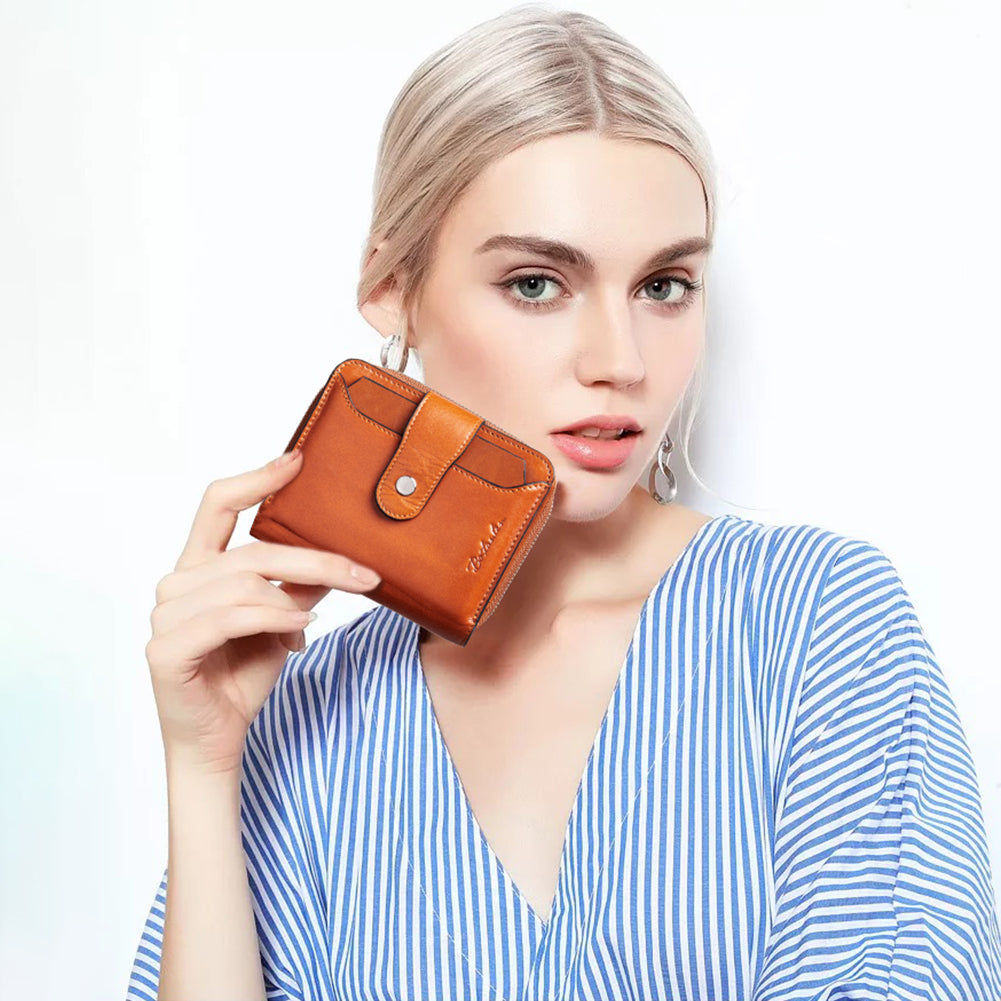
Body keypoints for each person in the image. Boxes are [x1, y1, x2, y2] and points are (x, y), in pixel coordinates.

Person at [126, 5, 1001, 1000]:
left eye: (663, 285)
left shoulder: (815, 621)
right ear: (392, 288)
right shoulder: (308, 707)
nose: (619, 361)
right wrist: (203, 768)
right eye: (537, 283)